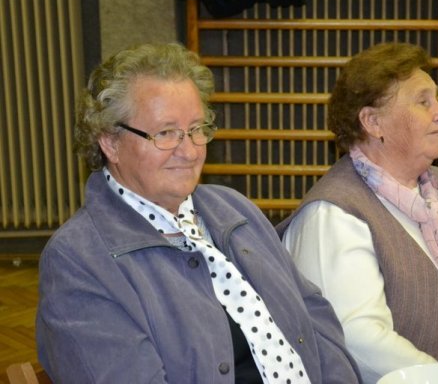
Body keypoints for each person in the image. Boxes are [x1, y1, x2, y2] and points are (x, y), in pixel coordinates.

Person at [36, 42, 362, 384]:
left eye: (196, 129)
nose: (190, 151)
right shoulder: (77, 260)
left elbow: (313, 313)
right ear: (110, 142)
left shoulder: (233, 208)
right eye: (166, 133)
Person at [277, 42, 438, 384]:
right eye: (423, 102)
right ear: (373, 122)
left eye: (436, 100)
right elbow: (359, 342)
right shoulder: (332, 217)